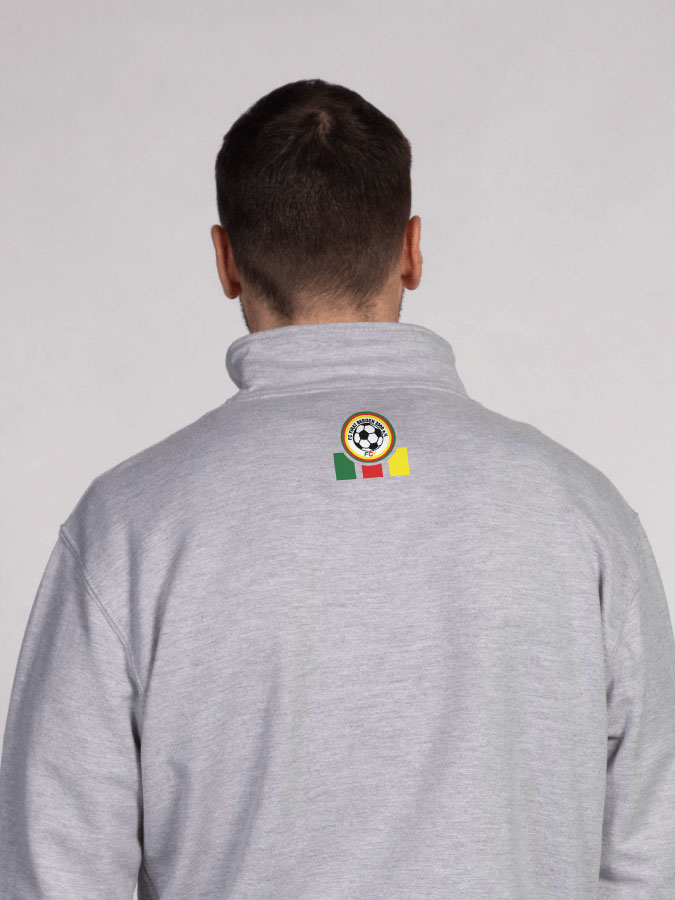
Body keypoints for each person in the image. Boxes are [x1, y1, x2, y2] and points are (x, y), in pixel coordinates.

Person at [0, 78, 674, 900]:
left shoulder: (129, 527)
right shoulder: (580, 511)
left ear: (225, 260)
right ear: (412, 250)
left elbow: (57, 873)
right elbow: (649, 857)